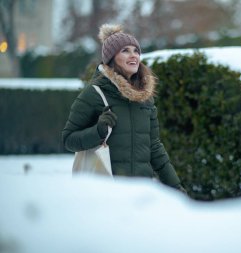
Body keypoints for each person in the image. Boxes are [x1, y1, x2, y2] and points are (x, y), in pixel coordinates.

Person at [62, 24, 186, 193]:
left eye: (136, 51)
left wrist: (175, 187)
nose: (133, 55)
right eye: (125, 51)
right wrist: (97, 132)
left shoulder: (145, 98)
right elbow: (69, 140)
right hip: (107, 191)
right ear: (111, 58)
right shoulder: (94, 93)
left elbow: (155, 148)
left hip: (141, 192)